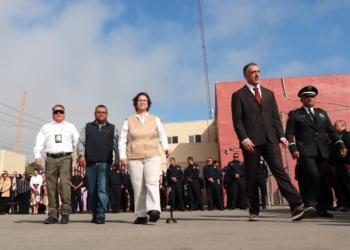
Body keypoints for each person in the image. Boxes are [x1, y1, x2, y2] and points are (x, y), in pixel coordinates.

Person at [231, 62, 315, 221]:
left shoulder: (269, 93)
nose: (257, 74)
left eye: (258, 71)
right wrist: (244, 139)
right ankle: (253, 210)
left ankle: (296, 206)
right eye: (253, 72)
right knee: (252, 176)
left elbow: (275, 118)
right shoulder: (238, 95)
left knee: (280, 172)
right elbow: (237, 122)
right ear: (245, 76)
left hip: (270, 139)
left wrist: (281, 136)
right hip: (251, 142)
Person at [285, 86, 347, 218]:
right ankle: (310, 205)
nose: (310, 98)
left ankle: (321, 209)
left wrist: (340, 143)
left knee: (323, 179)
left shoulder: (322, 113)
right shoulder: (295, 114)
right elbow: (289, 133)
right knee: (313, 174)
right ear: (301, 99)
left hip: (322, 151)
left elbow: (331, 131)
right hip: (305, 151)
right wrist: (293, 148)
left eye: (312, 96)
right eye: (307, 96)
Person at [119, 92, 170, 224]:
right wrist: (123, 156)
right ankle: (141, 215)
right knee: (138, 186)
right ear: (136, 103)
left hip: (152, 155)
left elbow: (162, 135)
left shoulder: (155, 119)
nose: (142, 102)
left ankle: (154, 210)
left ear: (148, 104)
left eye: (144, 100)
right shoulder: (128, 120)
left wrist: (165, 147)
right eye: (140, 100)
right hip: (134, 157)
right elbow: (122, 139)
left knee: (152, 182)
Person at [34, 104, 79, 224]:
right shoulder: (46, 127)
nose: (58, 113)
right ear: (52, 114)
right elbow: (39, 142)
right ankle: (53, 214)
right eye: (56, 112)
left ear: (64, 114)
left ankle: (65, 212)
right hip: (50, 158)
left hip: (65, 157)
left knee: (64, 184)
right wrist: (37, 156)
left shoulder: (70, 127)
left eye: (61, 111)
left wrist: (76, 155)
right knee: (51, 186)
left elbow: (77, 142)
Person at [77, 104, 119, 224]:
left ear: (107, 114)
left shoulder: (112, 128)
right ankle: (95, 213)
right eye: (98, 112)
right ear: (94, 114)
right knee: (92, 190)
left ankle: (101, 214)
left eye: (103, 112)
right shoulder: (87, 127)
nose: (101, 114)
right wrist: (80, 155)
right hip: (90, 164)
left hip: (105, 164)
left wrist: (117, 160)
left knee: (102, 189)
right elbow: (80, 142)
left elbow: (116, 146)